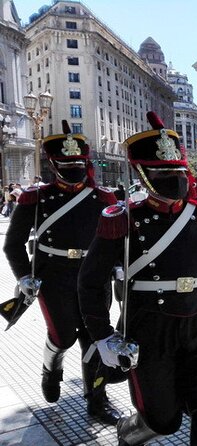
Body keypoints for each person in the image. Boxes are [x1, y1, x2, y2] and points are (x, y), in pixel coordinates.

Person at [78, 112, 197, 445]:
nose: (175, 179)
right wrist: (102, 335)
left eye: (178, 171)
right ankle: (130, 430)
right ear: (142, 173)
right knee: (164, 420)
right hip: (150, 328)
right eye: (163, 173)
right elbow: (91, 281)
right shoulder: (122, 219)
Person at [3, 121, 122, 424]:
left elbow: (117, 240)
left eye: (78, 163)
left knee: (95, 338)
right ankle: (51, 367)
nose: (73, 169)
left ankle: (97, 399)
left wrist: (119, 267)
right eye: (66, 163)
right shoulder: (36, 197)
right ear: (54, 164)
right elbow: (13, 243)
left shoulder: (104, 198)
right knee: (64, 335)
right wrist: (23, 277)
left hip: (93, 276)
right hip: (54, 275)